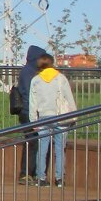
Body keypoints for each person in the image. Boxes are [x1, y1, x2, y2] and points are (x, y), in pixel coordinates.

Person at [28, 53, 77, 188]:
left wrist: (33, 121)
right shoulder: (61, 78)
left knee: (42, 148)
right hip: (60, 117)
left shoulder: (36, 80)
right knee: (60, 149)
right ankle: (59, 178)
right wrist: (74, 114)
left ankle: (41, 178)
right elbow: (69, 97)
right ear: (52, 62)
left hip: (43, 117)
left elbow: (33, 103)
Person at [15, 45, 47, 184]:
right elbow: (30, 94)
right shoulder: (29, 72)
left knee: (33, 142)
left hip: (29, 112)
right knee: (32, 143)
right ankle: (25, 174)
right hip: (29, 112)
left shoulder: (29, 70)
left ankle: (30, 173)